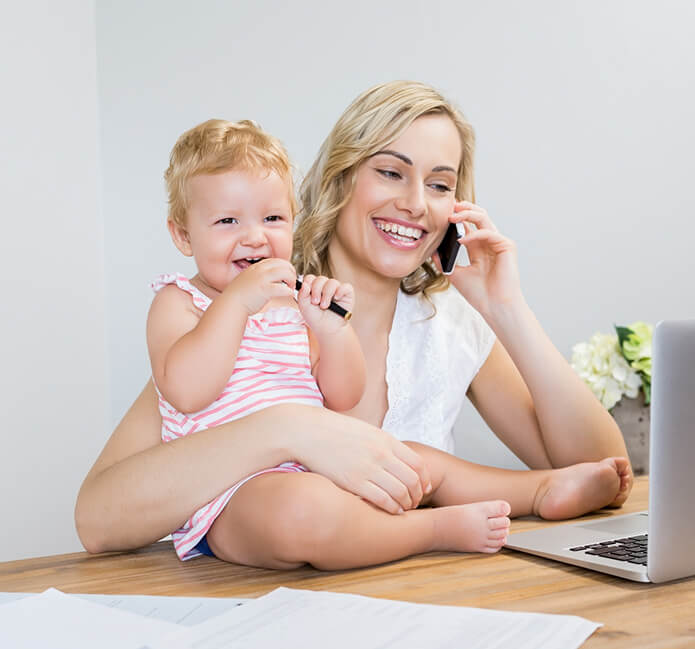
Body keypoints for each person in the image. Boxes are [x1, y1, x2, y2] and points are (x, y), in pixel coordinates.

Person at [75, 81, 633, 569]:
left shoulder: (446, 325)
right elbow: (98, 520)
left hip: (415, 595)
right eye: (391, 172)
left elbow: (606, 470)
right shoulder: (251, 314)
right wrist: (288, 428)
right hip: (277, 600)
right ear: (340, 179)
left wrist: (507, 309)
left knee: (422, 459)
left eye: (440, 184)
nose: (415, 204)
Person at [147, 119, 367, 560]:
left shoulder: (292, 304)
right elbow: (187, 393)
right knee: (304, 510)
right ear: (184, 235)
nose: (254, 236)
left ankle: (520, 498)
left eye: (272, 218)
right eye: (228, 220)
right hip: (229, 495)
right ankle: (431, 529)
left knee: (409, 457)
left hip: (314, 468)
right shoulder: (181, 302)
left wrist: (333, 331)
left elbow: (344, 397)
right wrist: (237, 304)